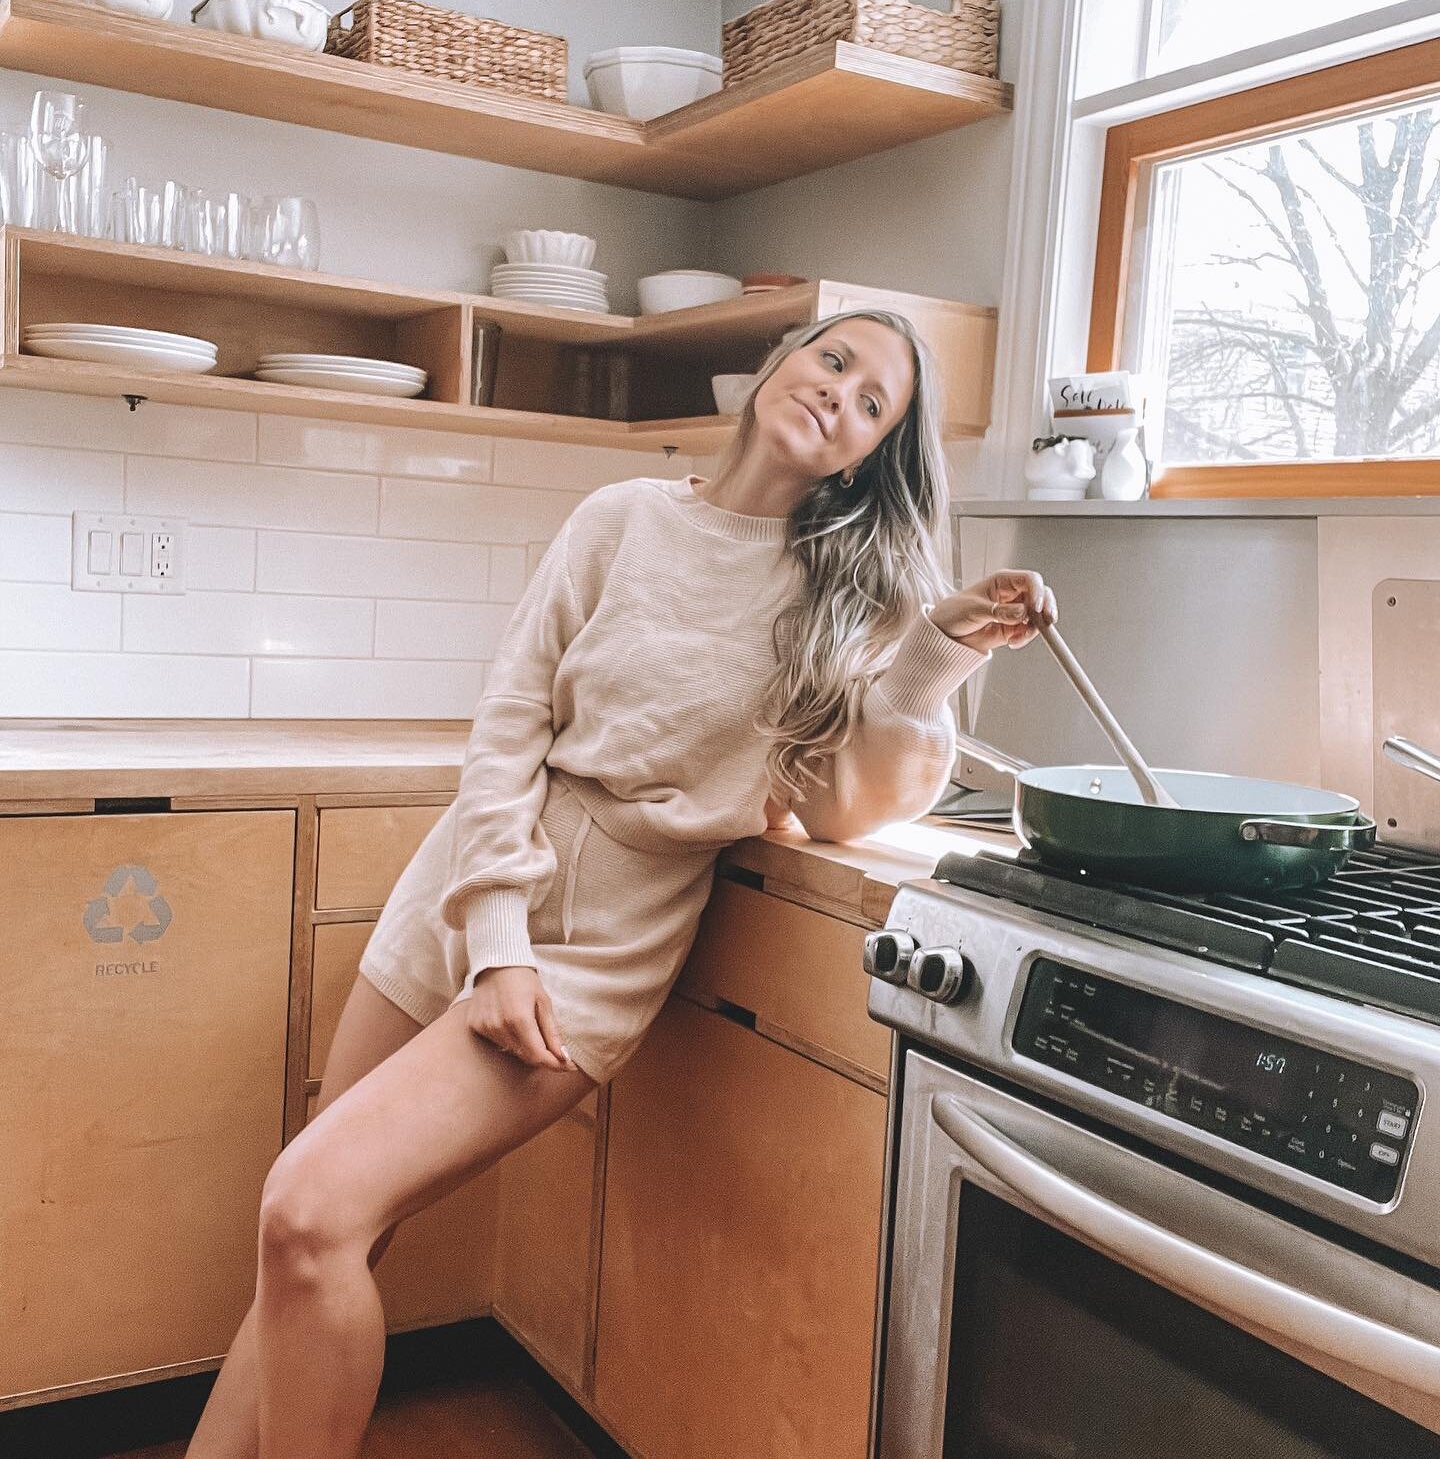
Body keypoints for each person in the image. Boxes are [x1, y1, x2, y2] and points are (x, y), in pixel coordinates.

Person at [184, 307, 1056, 1458]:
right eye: (833, 360)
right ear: (779, 366)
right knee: (317, 1228)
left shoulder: (852, 596)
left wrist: (935, 650)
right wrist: (492, 933)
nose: (838, 394)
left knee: (309, 1210)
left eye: (872, 405)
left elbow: (846, 802)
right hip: (467, 886)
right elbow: (510, 724)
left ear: (869, 455)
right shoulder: (622, 517)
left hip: (594, 950)